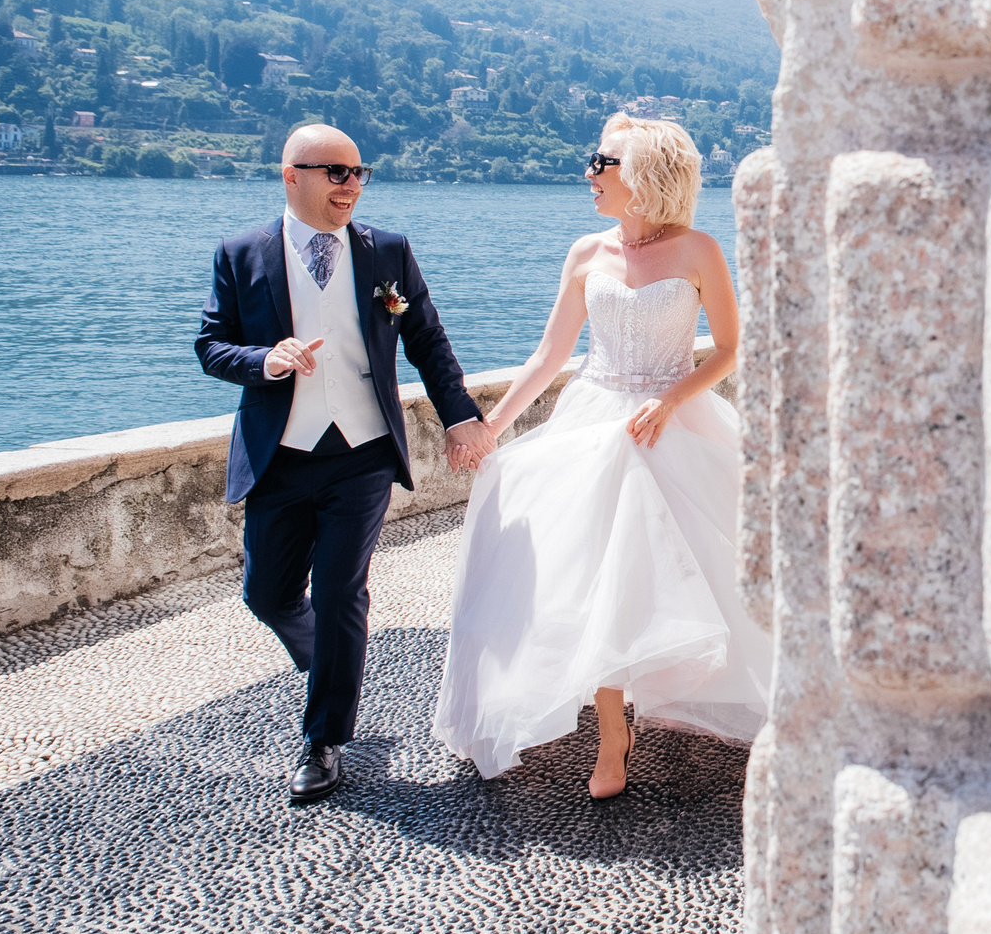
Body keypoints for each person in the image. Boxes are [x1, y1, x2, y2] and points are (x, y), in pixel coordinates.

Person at [431, 115, 770, 798]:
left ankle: (712, 694)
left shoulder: (699, 250)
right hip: (594, 420)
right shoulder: (586, 253)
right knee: (589, 577)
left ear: (642, 172)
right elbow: (550, 355)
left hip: (668, 420)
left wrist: (672, 400)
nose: (589, 172)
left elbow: (733, 348)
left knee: (691, 572)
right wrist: (491, 424)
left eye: (601, 160)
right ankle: (613, 733)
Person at [196, 123, 492, 805]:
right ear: (290, 174)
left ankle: (324, 738)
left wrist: (460, 413)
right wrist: (263, 360)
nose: (351, 184)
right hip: (281, 455)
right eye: (335, 171)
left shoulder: (387, 251)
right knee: (266, 595)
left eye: (359, 172)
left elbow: (425, 336)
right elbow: (211, 344)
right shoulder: (240, 253)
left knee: (338, 592)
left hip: (360, 453)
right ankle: (328, 659)